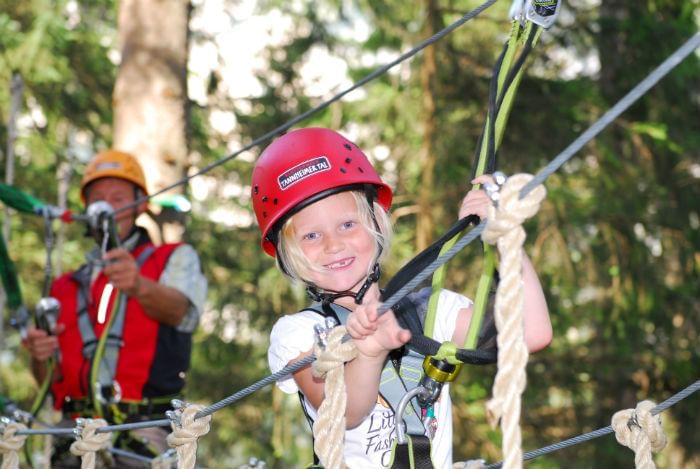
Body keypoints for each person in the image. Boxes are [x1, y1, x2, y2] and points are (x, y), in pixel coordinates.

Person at [252, 128, 552, 468]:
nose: (333, 245)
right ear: (288, 255)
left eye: (347, 225)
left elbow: (532, 333)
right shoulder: (301, 333)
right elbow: (342, 412)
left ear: (376, 223)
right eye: (311, 235)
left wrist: (503, 237)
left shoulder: (428, 310)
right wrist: (369, 353)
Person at [23, 149, 208, 467]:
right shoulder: (62, 288)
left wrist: (138, 286)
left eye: (118, 198)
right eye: (98, 199)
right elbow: (47, 383)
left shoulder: (174, 259)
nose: (106, 207)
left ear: (142, 204)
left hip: (143, 429)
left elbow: (181, 312)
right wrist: (39, 356)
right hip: (74, 432)